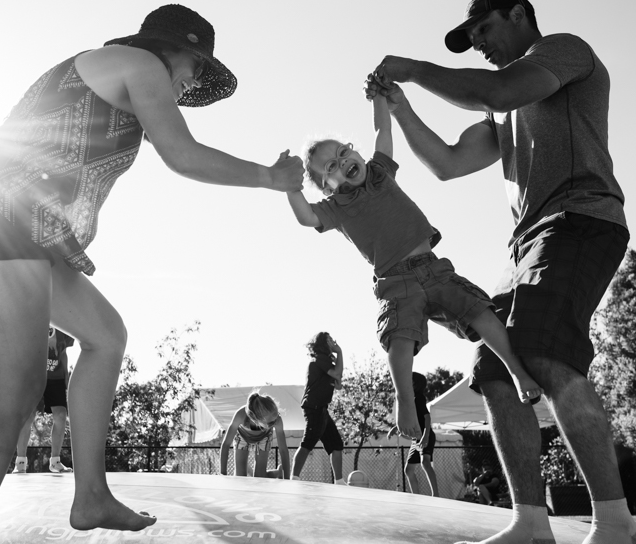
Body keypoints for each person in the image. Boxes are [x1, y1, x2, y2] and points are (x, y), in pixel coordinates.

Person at [0, 4, 302, 543]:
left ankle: (90, 497)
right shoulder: (137, 63)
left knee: (106, 336)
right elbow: (184, 155)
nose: (194, 81)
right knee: (14, 389)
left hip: (19, 224)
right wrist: (272, 177)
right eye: (197, 68)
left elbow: (160, 148)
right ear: (175, 49)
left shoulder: (127, 83)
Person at [368, 0, 636, 544]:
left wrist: (417, 68)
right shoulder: (499, 105)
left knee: (541, 349)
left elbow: (499, 86)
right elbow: (446, 163)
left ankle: (616, 524)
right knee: (495, 370)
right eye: (471, 41)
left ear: (518, 16)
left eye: (484, 31)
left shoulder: (563, 53)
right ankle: (530, 523)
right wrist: (402, 107)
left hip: (581, 220)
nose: (479, 45)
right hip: (527, 246)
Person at [284, 79, 542, 442]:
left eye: (344, 153)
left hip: (433, 268)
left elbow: (382, 128)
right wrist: (290, 187)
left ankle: (516, 369)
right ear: (327, 187)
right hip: (396, 283)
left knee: (482, 311)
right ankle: (405, 400)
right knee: (399, 341)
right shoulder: (335, 208)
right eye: (332, 167)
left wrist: (378, 99)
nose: (344, 163)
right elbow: (305, 218)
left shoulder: (379, 172)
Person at [13, 327, 75, 474]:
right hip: (33, 377)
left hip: (56, 378)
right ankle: (20, 463)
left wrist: (66, 376)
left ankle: (55, 462)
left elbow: (64, 352)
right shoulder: (34, 320)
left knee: (60, 416)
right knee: (28, 417)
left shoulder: (64, 326)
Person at [290, 332, 347, 485]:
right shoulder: (319, 359)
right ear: (323, 343)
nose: (333, 341)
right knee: (308, 442)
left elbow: (338, 382)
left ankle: (339, 481)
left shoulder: (326, 361)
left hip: (321, 408)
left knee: (336, 444)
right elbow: (337, 373)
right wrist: (340, 352)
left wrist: (337, 359)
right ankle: (294, 478)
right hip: (314, 407)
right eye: (329, 339)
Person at [219, 391, 290, 479]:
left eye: (276, 418)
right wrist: (222, 474)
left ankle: (276, 473)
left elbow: (283, 450)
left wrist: (287, 478)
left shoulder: (277, 420)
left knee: (259, 478)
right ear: (256, 419)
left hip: (264, 437)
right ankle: (247, 469)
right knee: (240, 478)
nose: (274, 423)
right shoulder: (240, 415)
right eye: (271, 423)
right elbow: (226, 444)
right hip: (243, 437)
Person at [404, 373, 439, 497]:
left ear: (415, 384)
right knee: (408, 470)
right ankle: (416, 497)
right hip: (416, 438)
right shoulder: (410, 398)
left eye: (409, 380)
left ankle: (435, 494)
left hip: (426, 434)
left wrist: (426, 435)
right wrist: (395, 428)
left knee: (425, 462)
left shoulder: (419, 397)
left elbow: (427, 417)